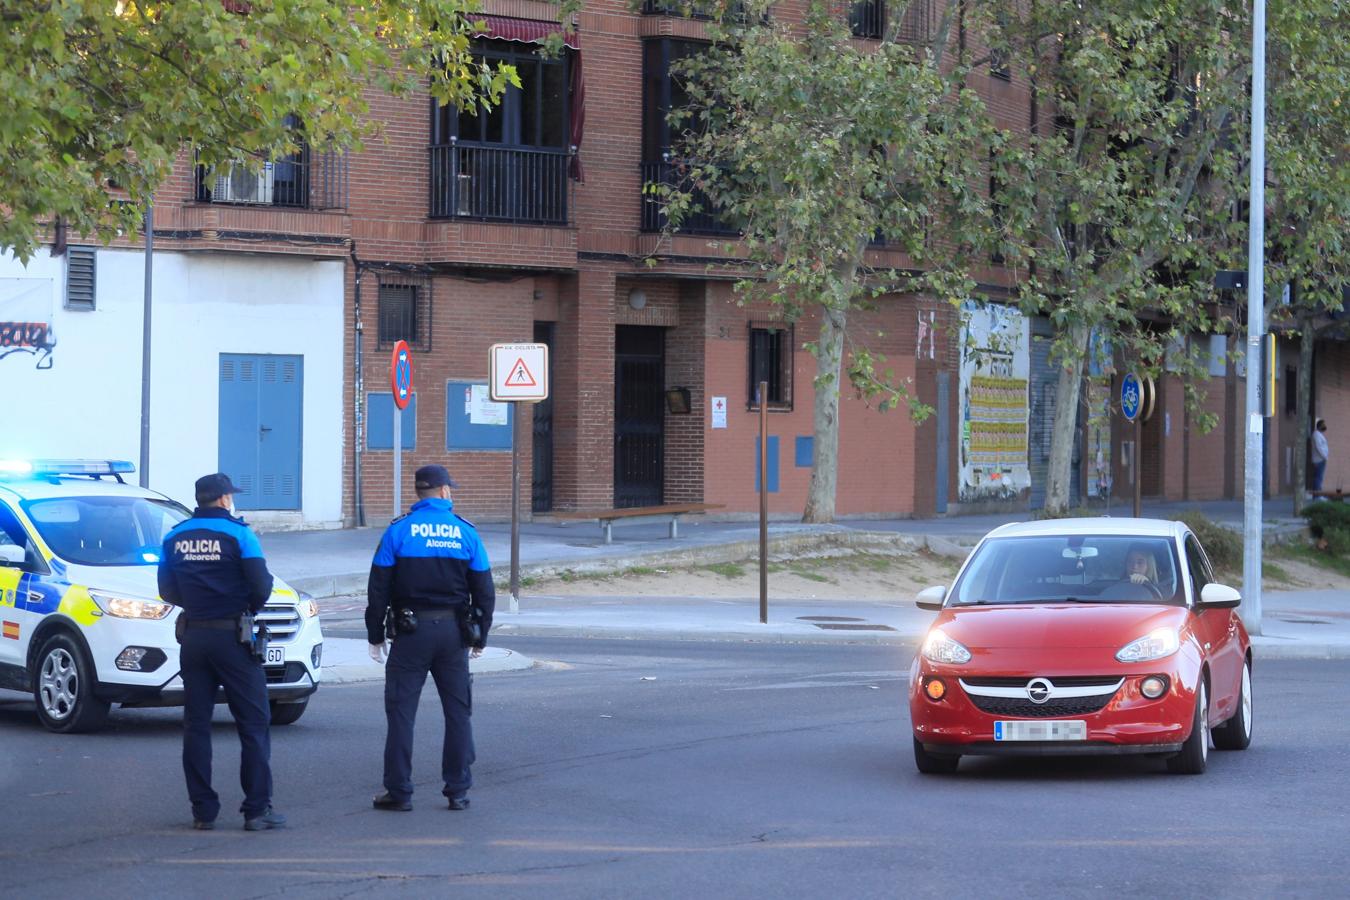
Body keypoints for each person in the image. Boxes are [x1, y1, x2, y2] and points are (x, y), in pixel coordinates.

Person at [158, 473, 285, 832]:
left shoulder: (174, 535)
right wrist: (240, 606)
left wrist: (199, 606)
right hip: (233, 637)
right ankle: (257, 810)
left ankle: (203, 811)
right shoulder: (240, 534)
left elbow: (167, 589)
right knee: (254, 724)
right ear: (226, 499)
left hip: (194, 638)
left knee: (196, 726)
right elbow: (262, 585)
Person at [366, 464, 495, 812]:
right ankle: (458, 790)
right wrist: (480, 635)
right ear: (444, 492)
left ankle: (399, 791)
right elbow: (484, 590)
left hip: (410, 634)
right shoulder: (466, 532)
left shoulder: (399, 531)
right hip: (453, 634)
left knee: (401, 713)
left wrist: (375, 634)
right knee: (457, 712)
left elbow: (378, 587)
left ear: (419, 493)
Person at [1311, 418, 1330, 493]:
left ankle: (1317, 494)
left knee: (1319, 477)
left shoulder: (1319, 435)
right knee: (1319, 477)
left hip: (1321, 459)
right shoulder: (1316, 435)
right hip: (1319, 459)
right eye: (1323, 425)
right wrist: (1325, 456)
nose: (1325, 426)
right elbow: (1319, 447)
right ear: (1319, 426)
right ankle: (1318, 495)